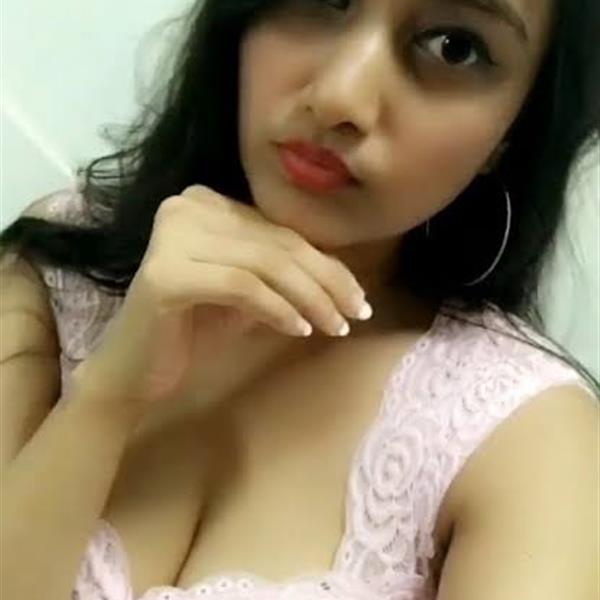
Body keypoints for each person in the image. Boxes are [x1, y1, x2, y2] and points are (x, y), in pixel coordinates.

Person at [1, 0, 598, 598]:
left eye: (454, 48)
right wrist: (104, 397)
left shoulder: (530, 441)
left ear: (514, 131)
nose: (340, 97)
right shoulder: (62, 265)